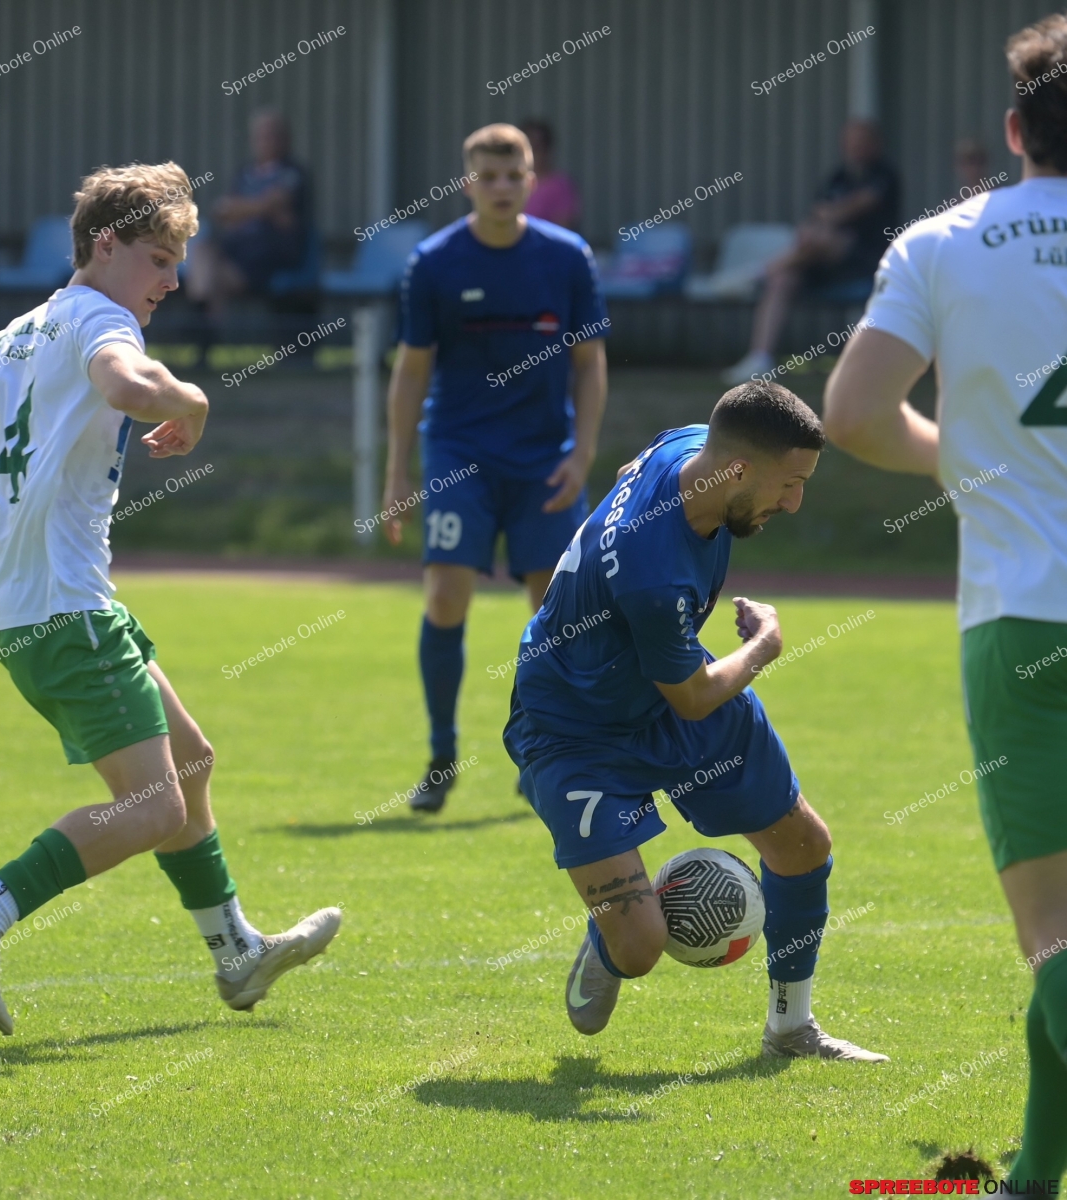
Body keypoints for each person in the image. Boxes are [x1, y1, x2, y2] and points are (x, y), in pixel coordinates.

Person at [0, 162, 339, 1036]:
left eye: (177, 263)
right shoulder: (103, 319)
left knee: (192, 761)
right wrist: (195, 399)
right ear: (105, 246)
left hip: (32, 610)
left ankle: (237, 952)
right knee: (156, 807)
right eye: (159, 259)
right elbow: (129, 388)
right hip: (67, 610)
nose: (171, 281)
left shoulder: (13, 335)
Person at [824, 14, 1067, 1185]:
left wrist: (957, 462)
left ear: (1014, 130)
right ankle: (1033, 1175)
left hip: (1022, 621)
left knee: (1053, 936)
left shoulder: (940, 243)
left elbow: (853, 415)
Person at [503, 381, 887, 1061]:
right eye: (789, 484)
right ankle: (613, 932)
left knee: (803, 846)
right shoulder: (654, 575)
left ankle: (791, 1029)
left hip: (659, 685)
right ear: (735, 469)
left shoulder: (689, 447)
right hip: (573, 728)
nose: (793, 504)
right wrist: (764, 646)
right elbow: (693, 697)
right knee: (640, 948)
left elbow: (636, 464)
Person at [382, 122, 608, 814]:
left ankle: (542, 747)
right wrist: (397, 473)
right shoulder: (435, 262)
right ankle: (441, 756)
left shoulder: (567, 258)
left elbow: (590, 363)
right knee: (446, 597)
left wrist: (583, 452)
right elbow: (411, 370)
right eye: (488, 176)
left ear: (532, 181)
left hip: (544, 458)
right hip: (460, 454)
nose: (502, 187)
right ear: (467, 183)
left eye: (514, 175)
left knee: (555, 612)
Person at [723, 118, 900, 384]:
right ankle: (760, 357)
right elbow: (817, 215)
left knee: (824, 239)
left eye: (862, 142)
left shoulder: (885, 175)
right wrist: (818, 225)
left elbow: (848, 210)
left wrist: (828, 218)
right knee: (783, 279)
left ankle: (755, 274)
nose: (855, 148)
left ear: (875, 144)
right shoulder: (838, 177)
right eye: (850, 142)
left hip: (866, 263)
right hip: (820, 263)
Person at [183, 110, 310, 314]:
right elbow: (224, 212)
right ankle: (202, 318)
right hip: (237, 247)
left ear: (285, 138)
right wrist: (259, 208)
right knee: (202, 250)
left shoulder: (293, 172)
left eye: (271, 135)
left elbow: (274, 203)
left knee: (214, 279)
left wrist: (243, 209)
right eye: (260, 136)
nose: (265, 141)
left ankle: (199, 322)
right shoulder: (245, 172)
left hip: (271, 253)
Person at [521, 118, 581, 231]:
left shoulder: (560, 187)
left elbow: (562, 230)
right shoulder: (508, 183)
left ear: (547, 149)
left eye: (536, 147)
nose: (531, 153)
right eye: (526, 148)